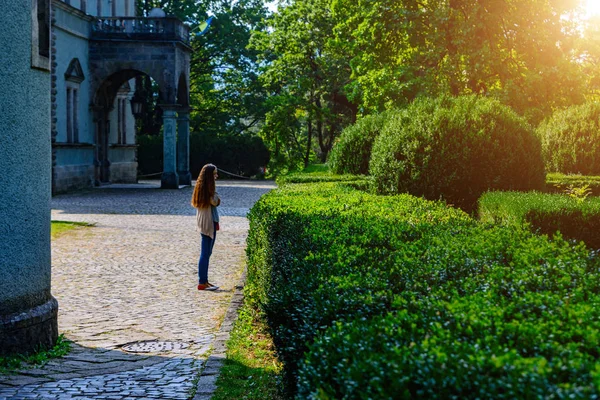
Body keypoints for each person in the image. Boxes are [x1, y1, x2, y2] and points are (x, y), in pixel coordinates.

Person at [191, 164, 220, 291]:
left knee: (206, 252)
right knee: (206, 253)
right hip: (209, 222)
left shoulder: (200, 188)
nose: (216, 176)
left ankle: (205, 281)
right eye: (214, 174)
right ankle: (202, 281)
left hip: (204, 221)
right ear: (209, 176)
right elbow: (215, 201)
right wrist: (216, 192)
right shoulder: (209, 190)